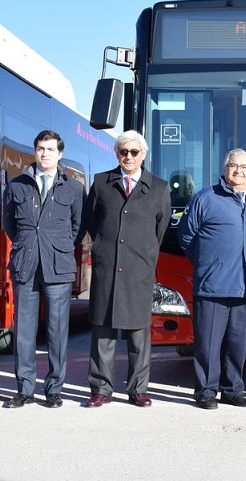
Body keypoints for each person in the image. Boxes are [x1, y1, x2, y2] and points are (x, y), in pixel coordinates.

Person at [177, 148, 246, 409]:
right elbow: (186, 237)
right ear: (225, 168)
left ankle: (232, 391)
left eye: (244, 166)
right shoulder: (205, 198)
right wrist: (208, 263)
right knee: (207, 343)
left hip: (245, 286)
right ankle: (206, 392)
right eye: (233, 165)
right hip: (212, 285)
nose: (239, 170)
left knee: (237, 343)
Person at [84, 131, 170, 408]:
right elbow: (91, 222)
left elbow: (161, 229)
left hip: (138, 270)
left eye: (134, 152)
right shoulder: (100, 183)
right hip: (108, 267)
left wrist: (143, 255)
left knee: (138, 335)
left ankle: (138, 389)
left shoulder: (158, 187)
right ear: (116, 153)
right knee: (103, 333)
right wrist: (102, 249)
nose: (128, 156)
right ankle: (100, 389)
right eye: (123, 151)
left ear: (143, 154)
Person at [2, 130, 84, 408]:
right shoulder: (17, 185)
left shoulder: (73, 188)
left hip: (58, 267)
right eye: (40, 148)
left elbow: (78, 228)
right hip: (25, 264)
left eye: (50, 149)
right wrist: (30, 245)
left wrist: (54, 246)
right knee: (23, 330)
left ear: (60, 154)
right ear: (34, 151)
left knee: (57, 330)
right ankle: (24, 389)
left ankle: (54, 389)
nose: (45, 153)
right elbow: (9, 226)